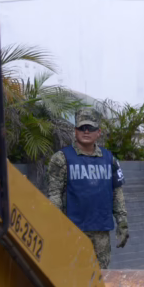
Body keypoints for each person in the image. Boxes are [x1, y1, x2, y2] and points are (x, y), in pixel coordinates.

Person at [45, 108, 128, 269]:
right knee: (74, 275)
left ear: (99, 132)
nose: (86, 131)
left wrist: (122, 222)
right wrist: (54, 226)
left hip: (101, 231)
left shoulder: (109, 159)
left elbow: (117, 193)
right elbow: (54, 195)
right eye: (82, 128)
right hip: (72, 231)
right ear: (75, 131)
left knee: (101, 277)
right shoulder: (61, 159)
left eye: (91, 128)